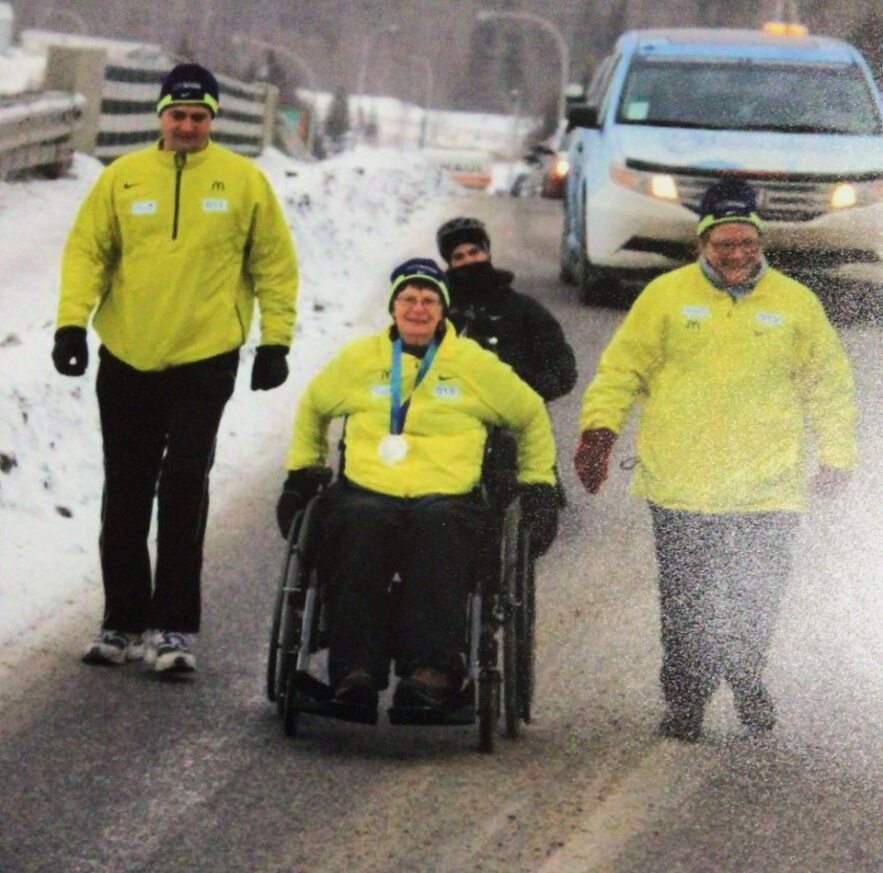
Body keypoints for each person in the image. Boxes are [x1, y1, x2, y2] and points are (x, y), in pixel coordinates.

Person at [573, 179, 857, 742]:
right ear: (702, 243)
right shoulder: (665, 298)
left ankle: (747, 674)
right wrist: (599, 433)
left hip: (767, 487)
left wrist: (837, 453)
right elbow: (620, 370)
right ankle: (685, 702)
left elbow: (829, 384)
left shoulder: (796, 304)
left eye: (745, 243)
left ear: (760, 241)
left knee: (757, 594)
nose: (735, 255)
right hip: (683, 484)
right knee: (686, 600)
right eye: (722, 244)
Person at [53, 63, 299, 674]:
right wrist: (69, 325)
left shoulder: (243, 182)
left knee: (185, 482)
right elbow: (87, 253)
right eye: (178, 114)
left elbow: (274, 264)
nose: (187, 125)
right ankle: (121, 621)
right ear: (160, 115)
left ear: (212, 119)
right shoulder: (123, 178)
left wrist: (276, 341)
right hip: (128, 353)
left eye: (199, 116)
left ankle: (173, 629)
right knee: (128, 485)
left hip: (204, 354)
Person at [275, 258, 558, 711]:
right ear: (394, 307)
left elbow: (530, 416)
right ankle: (355, 672)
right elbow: (313, 407)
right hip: (368, 490)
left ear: (443, 309)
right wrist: (302, 473)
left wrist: (538, 485)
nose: (418, 308)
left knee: (439, 530)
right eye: (409, 298)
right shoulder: (358, 360)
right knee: (359, 527)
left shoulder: (473, 365)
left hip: (446, 495)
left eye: (429, 300)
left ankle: (433, 671)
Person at [435, 216, 577, 403]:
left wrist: (531, 390)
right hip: (454, 414)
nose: (469, 261)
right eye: (459, 257)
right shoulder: (438, 312)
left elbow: (561, 364)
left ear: (487, 253)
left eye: (474, 252)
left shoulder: (522, 308)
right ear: (449, 263)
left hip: (514, 416)